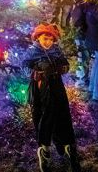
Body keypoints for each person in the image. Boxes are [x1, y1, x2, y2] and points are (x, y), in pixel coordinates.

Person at [22, 23, 81, 172]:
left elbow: (64, 63)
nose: (47, 42)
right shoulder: (33, 51)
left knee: (63, 113)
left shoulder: (56, 50)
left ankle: (68, 145)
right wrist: (36, 72)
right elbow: (24, 66)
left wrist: (62, 67)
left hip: (56, 86)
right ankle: (44, 149)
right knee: (45, 115)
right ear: (38, 38)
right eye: (44, 38)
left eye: (50, 39)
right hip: (41, 88)